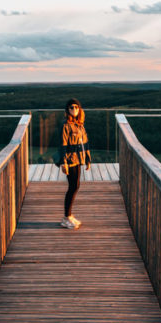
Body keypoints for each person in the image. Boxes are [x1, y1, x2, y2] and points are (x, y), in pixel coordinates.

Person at [59, 98, 90, 228]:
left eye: (76, 107)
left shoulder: (80, 125)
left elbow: (85, 144)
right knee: (73, 187)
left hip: (78, 159)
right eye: (71, 107)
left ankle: (69, 216)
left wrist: (88, 159)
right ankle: (66, 217)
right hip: (70, 160)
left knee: (75, 186)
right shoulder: (66, 126)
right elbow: (63, 145)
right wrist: (63, 163)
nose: (74, 109)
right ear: (67, 110)